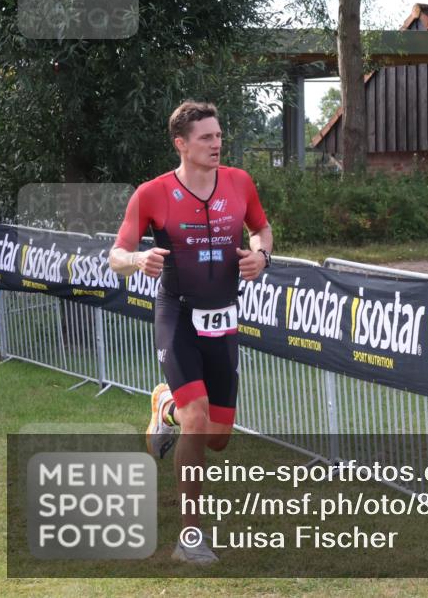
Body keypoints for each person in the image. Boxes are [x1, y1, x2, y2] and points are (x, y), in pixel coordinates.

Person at [109, 100, 272, 564]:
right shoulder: (153, 193)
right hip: (177, 314)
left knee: (217, 436)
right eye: (206, 137)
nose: (217, 143)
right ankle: (190, 537)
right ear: (182, 144)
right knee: (198, 417)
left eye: (219, 135)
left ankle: (165, 405)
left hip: (224, 315)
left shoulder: (240, 182)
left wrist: (262, 256)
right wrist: (138, 259)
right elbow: (115, 255)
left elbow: (261, 228)